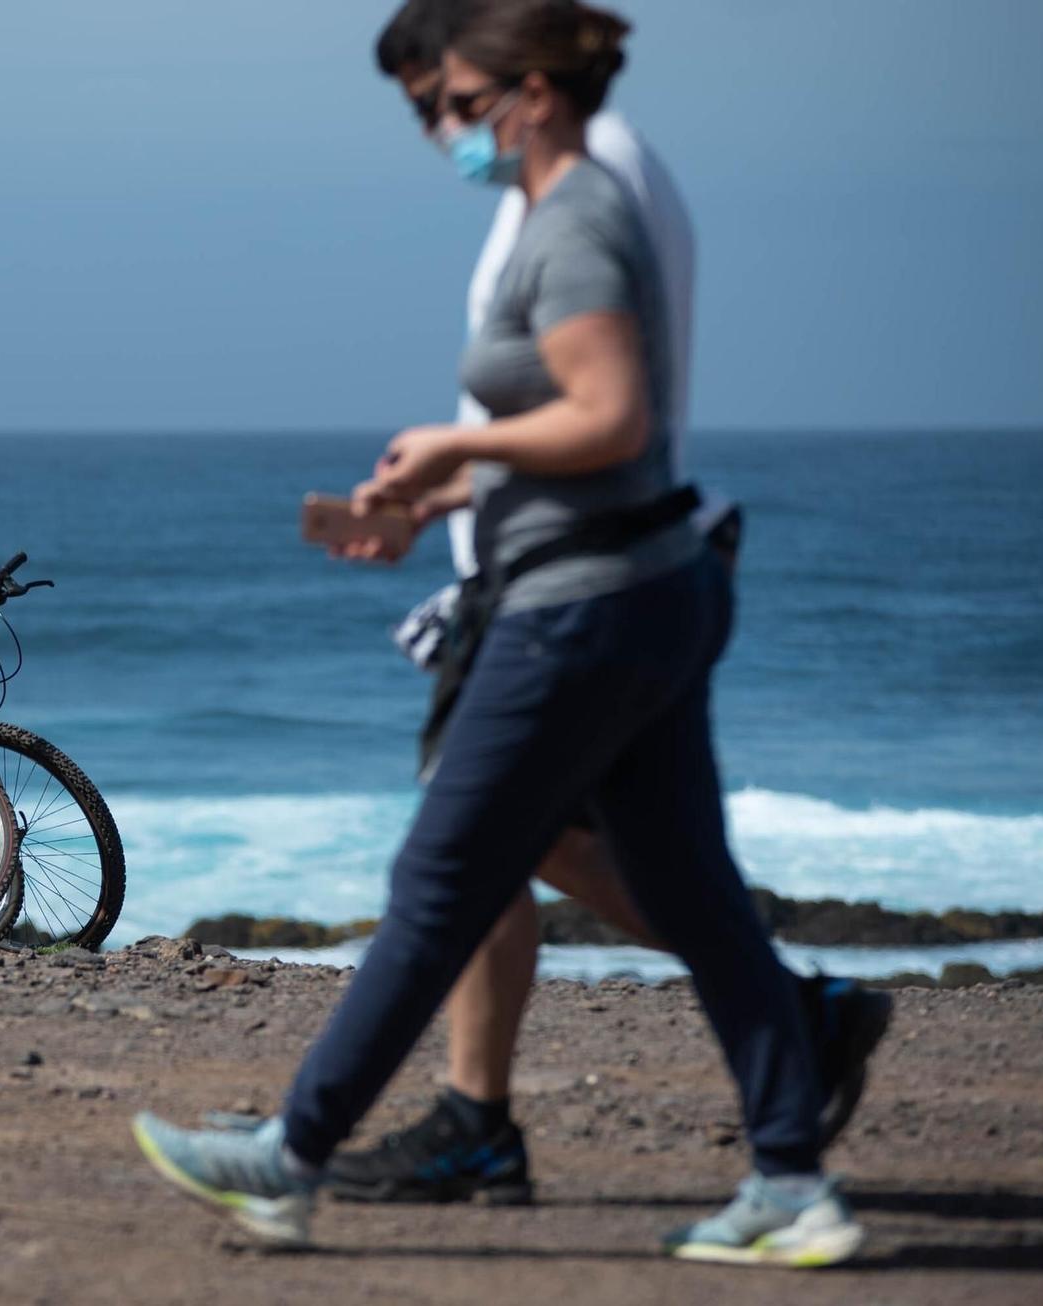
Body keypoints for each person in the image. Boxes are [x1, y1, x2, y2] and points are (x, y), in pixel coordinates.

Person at [134, 0, 869, 1266]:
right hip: (635, 583)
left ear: (531, 93)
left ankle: (291, 1154)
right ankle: (792, 1183)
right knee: (692, 896)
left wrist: (461, 442)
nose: (445, 129)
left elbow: (612, 416)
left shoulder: (579, 212)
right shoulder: (562, 212)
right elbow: (587, 442)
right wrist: (436, 495)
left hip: (577, 608)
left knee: (439, 882)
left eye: (460, 105)